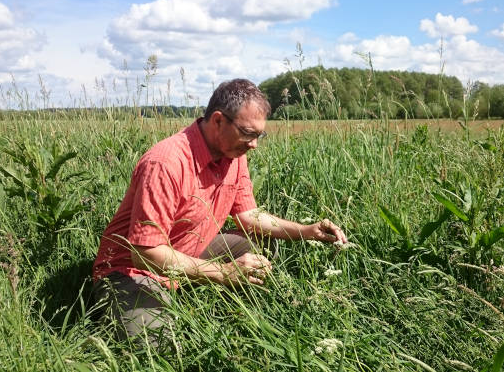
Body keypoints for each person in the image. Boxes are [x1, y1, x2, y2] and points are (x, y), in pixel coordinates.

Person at [92, 78, 348, 347]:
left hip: (189, 252)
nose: (254, 144)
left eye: (259, 135)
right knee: (158, 348)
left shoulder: (234, 155)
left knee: (260, 245)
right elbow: (144, 253)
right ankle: (114, 308)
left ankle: (221, 304)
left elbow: (249, 216)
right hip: (132, 270)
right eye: (248, 133)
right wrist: (223, 272)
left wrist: (306, 232)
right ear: (217, 121)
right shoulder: (166, 163)